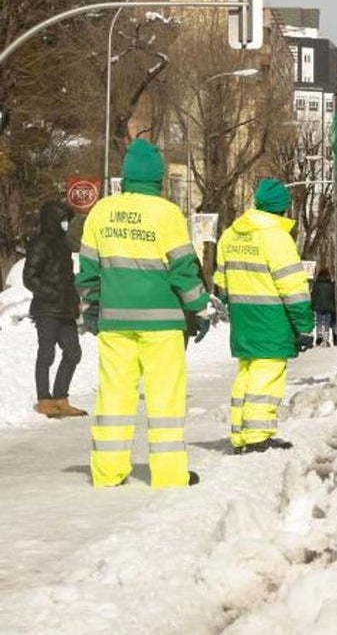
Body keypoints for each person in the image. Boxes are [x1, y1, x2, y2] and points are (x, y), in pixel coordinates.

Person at [75, 138, 210, 488]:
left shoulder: (100, 212)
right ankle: (168, 474)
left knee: (114, 396)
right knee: (165, 397)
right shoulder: (166, 213)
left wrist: (92, 310)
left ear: (127, 175)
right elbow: (183, 270)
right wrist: (200, 306)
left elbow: (87, 272)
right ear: (158, 178)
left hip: (115, 322)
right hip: (162, 324)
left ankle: (107, 472)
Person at [214, 178, 315, 454]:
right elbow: (293, 286)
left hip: (242, 318)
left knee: (246, 374)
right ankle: (258, 435)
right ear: (283, 208)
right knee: (267, 375)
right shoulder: (276, 238)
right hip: (272, 319)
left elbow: (221, 281)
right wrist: (305, 326)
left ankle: (240, 433)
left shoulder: (231, 234)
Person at [24, 200, 85, 418]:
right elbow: (30, 278)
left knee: (73, 352)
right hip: (47, 309)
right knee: (46, 353)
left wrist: (72, 301)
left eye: (67, 220)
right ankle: (44, 400)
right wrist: (53, 295)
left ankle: (61, 399)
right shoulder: (40, 243)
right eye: (63, 220)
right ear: (52, 220)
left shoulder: (64, 243)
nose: (66, 224)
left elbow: (66, 278)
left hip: (65, 309)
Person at [310, 267, 335, 347]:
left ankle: (319, 335)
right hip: (329, 306)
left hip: (318, 306)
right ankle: (326, 339)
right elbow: (333, 295)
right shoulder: (331, 285)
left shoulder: (316, 284)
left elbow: (313, 295)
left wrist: (312, 305)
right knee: (327, 323)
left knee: (319, 322)